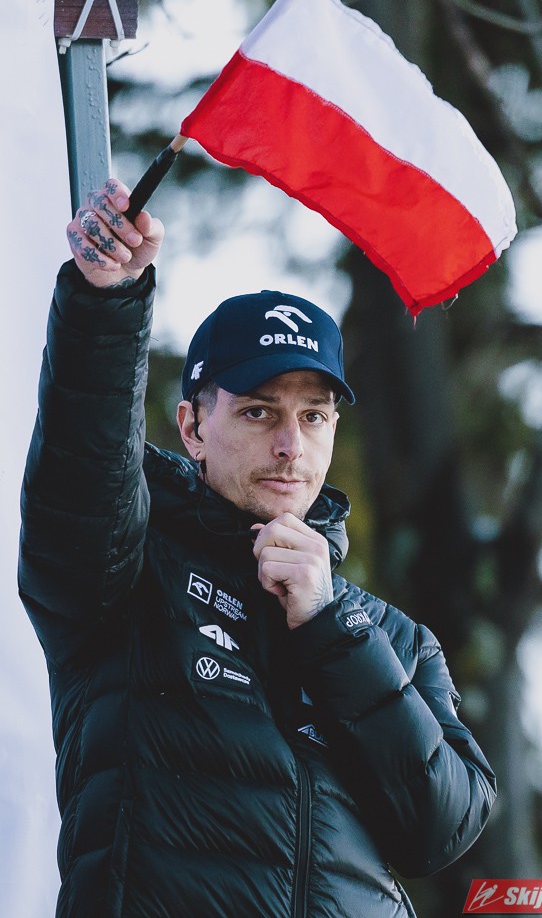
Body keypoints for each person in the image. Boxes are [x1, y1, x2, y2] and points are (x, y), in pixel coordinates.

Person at [19, 178, 496, 918]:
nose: (289, 446)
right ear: (191, 426)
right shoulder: (129, 569)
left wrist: (332, 629)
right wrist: (107, 299)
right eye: (258, 412)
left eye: (313, 416)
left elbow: (441, 829)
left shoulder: (392, 638)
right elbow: (81, 468)